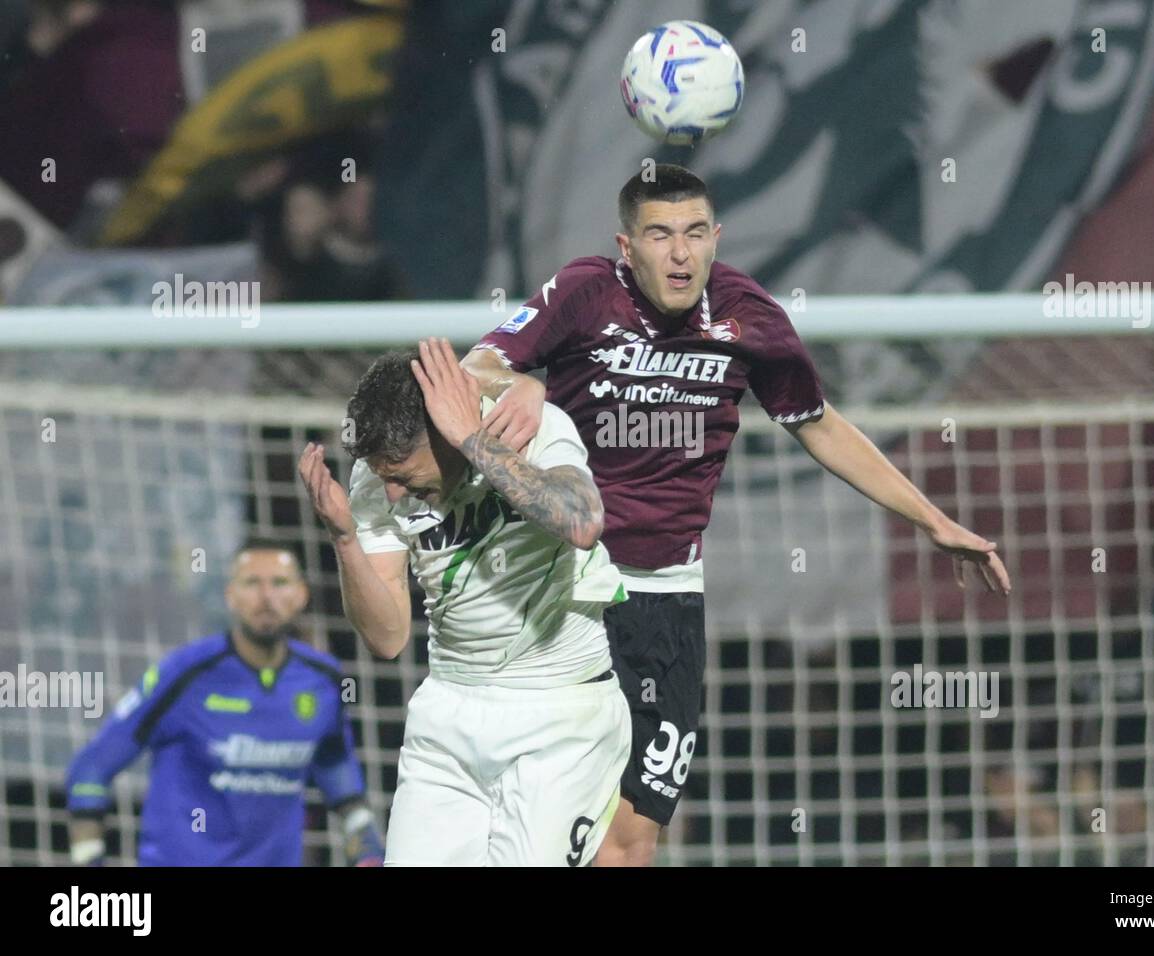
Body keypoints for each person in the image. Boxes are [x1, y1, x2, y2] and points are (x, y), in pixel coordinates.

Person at [462, 164, 1012, 866]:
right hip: (562, 590)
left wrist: (932, 521)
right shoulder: (584, 291)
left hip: (665, 606)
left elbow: (818, 423)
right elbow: (477, 368)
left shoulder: (747, 314)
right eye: (660, 235)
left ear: (717, 238)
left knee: (630, 842)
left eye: (695, 233)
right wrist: (523, 384)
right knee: (531, 821)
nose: (681, 253)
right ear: (627, 248)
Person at [298, 338, 630, 866]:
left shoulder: (527, 425)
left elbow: (582, 522)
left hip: (559, 713)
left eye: (402, 474)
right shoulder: (379, 476)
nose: (392, 493)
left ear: (445, 430)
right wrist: (345, 540)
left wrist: (472, 440)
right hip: (448, 711)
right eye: (384, 477)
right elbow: (387, 638)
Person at [66, 539, 383, 866]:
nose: (266, 597)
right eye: (252, 583)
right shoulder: (185, 674)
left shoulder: (324, 680)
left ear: (301, 595)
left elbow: (336, 765)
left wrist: (363, 836)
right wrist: (88, 858)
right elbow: (91, 768)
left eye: (279, 583)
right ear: (230, 595)